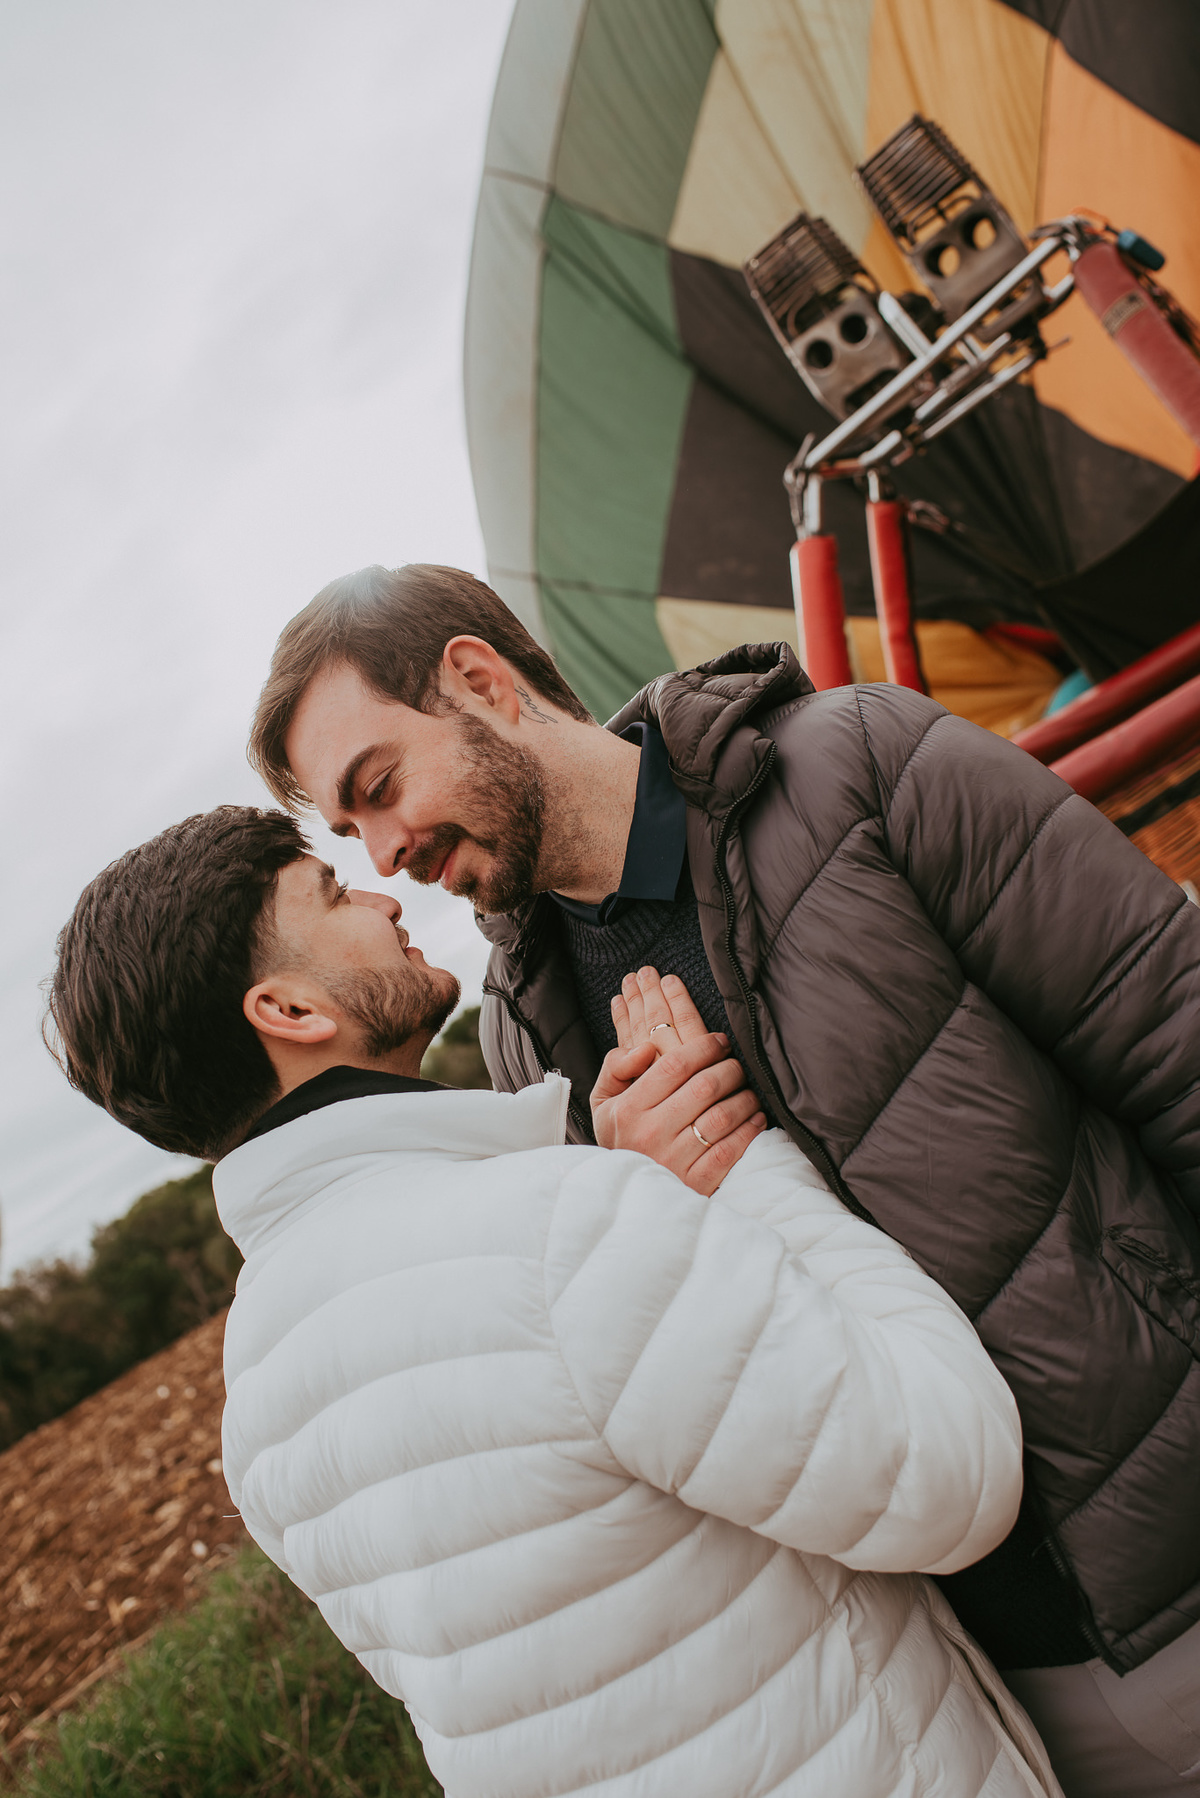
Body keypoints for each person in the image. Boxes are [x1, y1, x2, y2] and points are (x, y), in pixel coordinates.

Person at [248, 560, 1200, 1797]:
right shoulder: (525, 1041)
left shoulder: (859, 769)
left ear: (480, 681)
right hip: (991, 1680)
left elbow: (1172, 1038)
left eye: (377, 787)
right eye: (347, 830)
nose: (386, 851)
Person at [44, 804, 1059, 1798]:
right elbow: (949, 1479)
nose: (384, 898)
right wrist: (736, 1176)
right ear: (293, 1012)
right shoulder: (557, 1233)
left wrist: (635, 1209)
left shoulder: (256, 1406)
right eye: (332, 893)